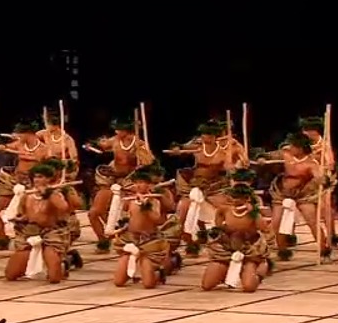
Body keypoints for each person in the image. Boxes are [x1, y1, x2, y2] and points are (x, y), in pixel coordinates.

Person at [85, 117, 155, 254]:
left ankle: (134, 239)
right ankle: (103, 242)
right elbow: (103, 145)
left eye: (119, 129)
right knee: (93, 213)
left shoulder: (139, 144)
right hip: (112, 178)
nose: (116, 131)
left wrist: (144, 160)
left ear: (127, 130)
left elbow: (150, 162)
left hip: (130, 181)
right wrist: (92, 144)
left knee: (130, 214)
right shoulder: (115, 140)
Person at [165, 120, 233, 257]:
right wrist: (177, 149)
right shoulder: (197, 147)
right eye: (203, 134)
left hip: (213, 188)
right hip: (193, 185)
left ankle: (224, 243)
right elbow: (181, 148)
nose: (204, 137)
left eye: (207, 135)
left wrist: (235, 166)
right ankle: (186, 244)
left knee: (222, 211)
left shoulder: (223, 153)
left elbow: (230, 169)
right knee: (184, 209)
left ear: (214, 137)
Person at [260, 132, 330, 262]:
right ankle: (281, 250)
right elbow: (270, 155)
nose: (290, 147)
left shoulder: (311, 163)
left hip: (303, 195)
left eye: (293, 146)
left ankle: (323, 250)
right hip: (281, 193)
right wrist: (262, 158)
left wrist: (322, 179)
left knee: (312, 222)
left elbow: (319, 175)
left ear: (300, 148)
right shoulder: (285, 154)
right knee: (276, 222)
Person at [4, 163, 72, 283]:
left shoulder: (55, 194)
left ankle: (66, 262)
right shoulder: (27, 195)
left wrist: (49, 194)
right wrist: (19, 219)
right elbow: (24, 214)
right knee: (11, 275)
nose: (36, 180)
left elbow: (63, 208)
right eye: (35, 177)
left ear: (49, 179)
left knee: (54, 278)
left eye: (40, 177)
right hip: (30, 231)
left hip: (51, 232)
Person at [0, 120, 51, 249]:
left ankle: (32, 240)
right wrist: (2, 147)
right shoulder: (19, 144)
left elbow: (50, 169)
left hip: (32, 184)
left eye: (20, 134)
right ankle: (1, 239)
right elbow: (7, 147)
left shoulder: (44, 150)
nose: (17, 136)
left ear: (28, 134)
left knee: (29, 215)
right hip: (14, 181)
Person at [201, 183, 271, 292]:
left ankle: (261, 268)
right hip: (227, 249)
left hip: (249, 250)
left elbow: (264, 228)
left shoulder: (253, 212)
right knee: (207, 285)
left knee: (249, 287)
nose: (233, 199)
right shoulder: (224, 209)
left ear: (247, 198)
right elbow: (218, 228)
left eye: (237, 197)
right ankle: (224, 273)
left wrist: (254, 213)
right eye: (232, 196)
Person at [112, 169, 169, 289]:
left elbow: (157, 219)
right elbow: (122, 212)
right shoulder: (130, 200)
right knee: (118, 282)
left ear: (149, 185)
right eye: (136, 182)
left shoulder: (154, 201)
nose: (138, 185)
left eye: (141, 182)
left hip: (148, 242)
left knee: (148, 284)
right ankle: (131, 272)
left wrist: (145, 205)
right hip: (130, 239)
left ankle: (158, 274)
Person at [300, 116, 338, 250]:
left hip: (322, 179)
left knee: (326, 210)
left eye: (306, 130)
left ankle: (331, 238)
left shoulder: (324, 144)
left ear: (314, 131)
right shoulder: (302, 143)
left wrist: (322, 162)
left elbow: (330, 163)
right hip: (304, 182)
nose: (303, 133)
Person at [41, 157, 84, 273]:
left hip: (65, 224)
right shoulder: (38, 185)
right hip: (43, 224)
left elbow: (78, 204)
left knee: (55, 262)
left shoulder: (64, 186)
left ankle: (66, 259)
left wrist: (64, 191)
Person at [37, 112, 80, 180]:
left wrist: (63, 164)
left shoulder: (68, 139)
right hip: (47, 165)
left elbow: (74, 159)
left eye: (47, 125)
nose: (46, 127)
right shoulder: (45, 133)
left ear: (55, 126)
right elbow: (32, 138)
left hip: (60, 167)